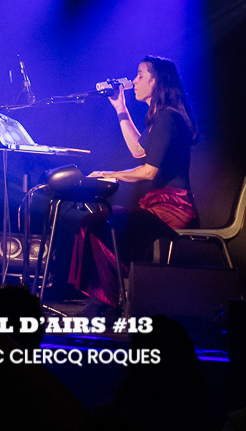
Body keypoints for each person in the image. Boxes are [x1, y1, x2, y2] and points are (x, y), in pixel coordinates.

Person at [73, 54, 199, 310]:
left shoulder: (168, 118)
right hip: (161, 206)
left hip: (173, 209)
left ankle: (108, 301)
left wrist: (110, 173)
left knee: (99, 223)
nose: (134, 81)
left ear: (157, 81)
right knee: (103, 223)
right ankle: (113, 299)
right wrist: (120, 107)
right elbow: (137, 150)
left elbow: (148, 171)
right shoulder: (160, 118)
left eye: (140, 76)